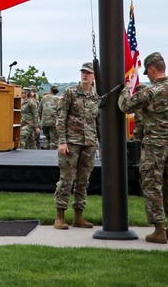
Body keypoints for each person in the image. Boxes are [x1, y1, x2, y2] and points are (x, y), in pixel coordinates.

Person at [118, 51, 168, 244]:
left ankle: (158, 230)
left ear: (151, 69)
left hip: (155, 148)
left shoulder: (151, 92)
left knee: (152, 186)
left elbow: (125, 106)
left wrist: (126, 89)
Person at [53, 62, 100, 230]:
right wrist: (62, 141)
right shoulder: (70, 93)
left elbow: (98, 122)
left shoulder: (96, 96)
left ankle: (78, 216)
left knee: (83, 181)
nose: (85, 75)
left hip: (89, 143)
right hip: (71, 143)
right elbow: (61, 118)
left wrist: (100, 144)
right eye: (83, 72)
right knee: (66, 180)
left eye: (88, 73)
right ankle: (59, 216)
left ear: (94, 76)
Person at [39, 85, 61, 150]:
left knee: (47, 137)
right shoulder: (58, 99)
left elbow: (39, 110)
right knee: (54, 140)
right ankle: (52, 153)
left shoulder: (44, 98)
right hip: (54, 122)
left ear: (50, 90)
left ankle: (46, 149)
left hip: (44, 122)